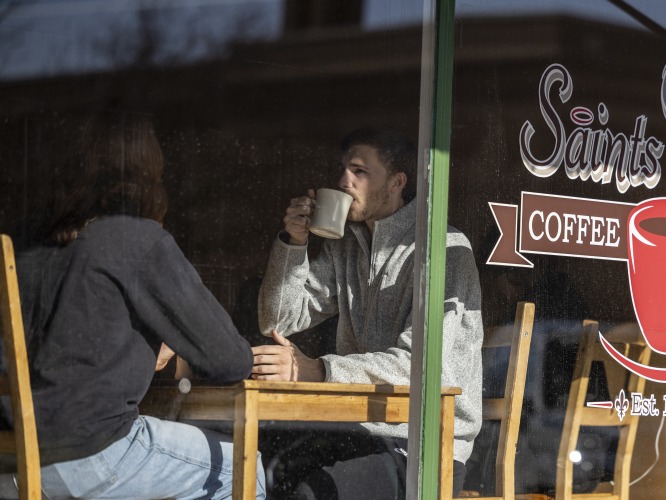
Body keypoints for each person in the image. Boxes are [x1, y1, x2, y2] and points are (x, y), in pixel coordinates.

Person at [0, 107, 266, 499]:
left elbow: (62, 351)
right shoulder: (135, 239)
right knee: (243, 467)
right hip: (89, 454)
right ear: (148, 169)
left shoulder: (31, 249)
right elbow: (230, 361)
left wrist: (139, 347)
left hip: (13, 458)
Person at [252, 126, 484, 499]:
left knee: (311, 494)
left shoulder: (445, 248)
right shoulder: (347, 246)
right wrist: (294, 244)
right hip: (355, 429)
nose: (344, 180)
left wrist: (318, 370)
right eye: (343, 168)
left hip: (425, 446)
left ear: (396, 182)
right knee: (261, 470)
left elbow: (425, 367)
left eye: (359, 171)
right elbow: (278, 319)